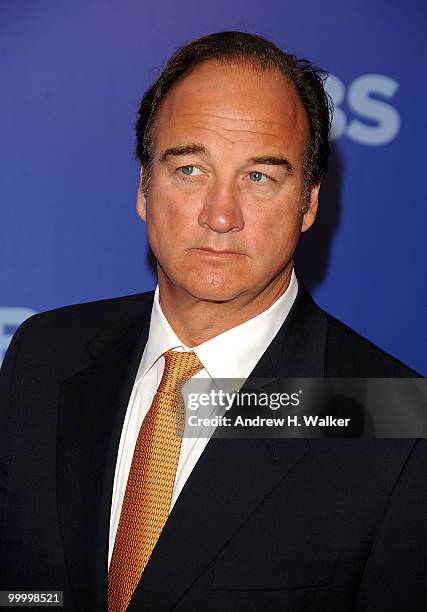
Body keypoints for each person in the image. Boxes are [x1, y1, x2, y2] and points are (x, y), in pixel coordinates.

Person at [0, 31, 425, 612]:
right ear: (144, 188)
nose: (220, 215)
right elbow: (23, 589)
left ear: (310, 203)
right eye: (191, 169)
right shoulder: (43, 354)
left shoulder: (394, 418)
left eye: (259, 177)